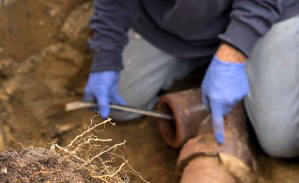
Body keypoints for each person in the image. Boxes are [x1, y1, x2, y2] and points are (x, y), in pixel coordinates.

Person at [84, 0, 299, 158]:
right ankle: (205, 60)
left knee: (281, 141)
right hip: (172, 20)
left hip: (271, 12)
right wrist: (107, 53)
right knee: (118, 103)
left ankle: (244, 65)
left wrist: (233, 52)